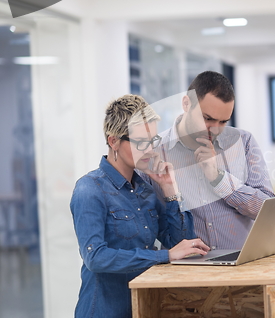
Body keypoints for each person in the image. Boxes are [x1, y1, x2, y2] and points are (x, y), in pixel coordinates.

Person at [70, 95, 209, 318]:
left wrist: (170, 190)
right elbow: (95, 257)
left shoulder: (146, 189)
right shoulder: (89, 189)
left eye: (153, 141)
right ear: (113, 141)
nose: (149, 150)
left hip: (144, 306)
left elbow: (179, 244)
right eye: (141, 142)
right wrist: (163, 256)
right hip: (103, 310)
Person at [143, 71, 275, 250]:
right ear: (186, 103)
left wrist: (219, 178)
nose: (215, 129)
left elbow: (267, 211)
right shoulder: (153, 152)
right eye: (208, 118)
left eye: (223, 122)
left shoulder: (243, 142)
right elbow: (146, 224)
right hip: (185, 270)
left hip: (242, 265)